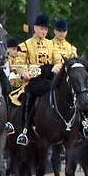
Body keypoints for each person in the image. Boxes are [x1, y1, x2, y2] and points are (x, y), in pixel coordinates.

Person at [15, 14, 64, 146]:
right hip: (33, 80)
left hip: (49, 78)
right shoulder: (25, 45)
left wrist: (56, 67)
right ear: (35, 28)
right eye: (41, 29)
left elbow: (59, 60)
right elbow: (19, 63)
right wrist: (23, 72)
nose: (44, 31)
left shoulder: (51, 44)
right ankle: (25, 129)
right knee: (29, 96)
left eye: (46, 29)